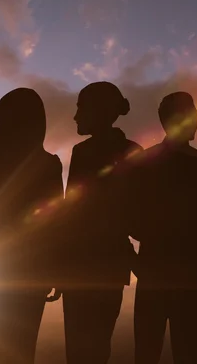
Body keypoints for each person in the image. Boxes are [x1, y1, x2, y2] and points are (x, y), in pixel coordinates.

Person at [0, 88, 64, 363]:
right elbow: (54, 221)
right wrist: (55, 269)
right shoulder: (47, 163)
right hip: (26, 272)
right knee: (19, 350)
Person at [131, 92, 197, 364]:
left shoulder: (147, 161)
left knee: (151, 350)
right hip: (181, 275)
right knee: (186, 351)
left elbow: (131, 217)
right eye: (191, 115)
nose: (196, 121)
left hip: (160, 272)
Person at [61, 81, 142, 364]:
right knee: (95, 348)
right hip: (105, 264)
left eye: (81, 108)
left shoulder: (85, 152)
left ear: (98, 110)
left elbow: (71, 212)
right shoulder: (130, 150)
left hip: (88, 266)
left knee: (84, 349)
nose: (75, 116)